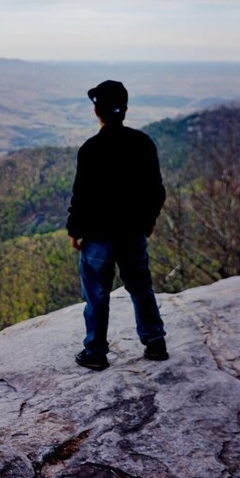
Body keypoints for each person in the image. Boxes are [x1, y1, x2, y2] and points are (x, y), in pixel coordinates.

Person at [67, 80, 168, 371]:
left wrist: (75, 231)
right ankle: (155, 343)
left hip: (98, 235)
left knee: (97, 295)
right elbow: (156, 191)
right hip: (132, 232)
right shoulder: (142, 143)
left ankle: (95, 352)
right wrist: (148, 221)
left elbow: (82, 197)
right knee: (141, 287)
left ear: (97, 111)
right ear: (124, 109)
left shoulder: (91, 149)